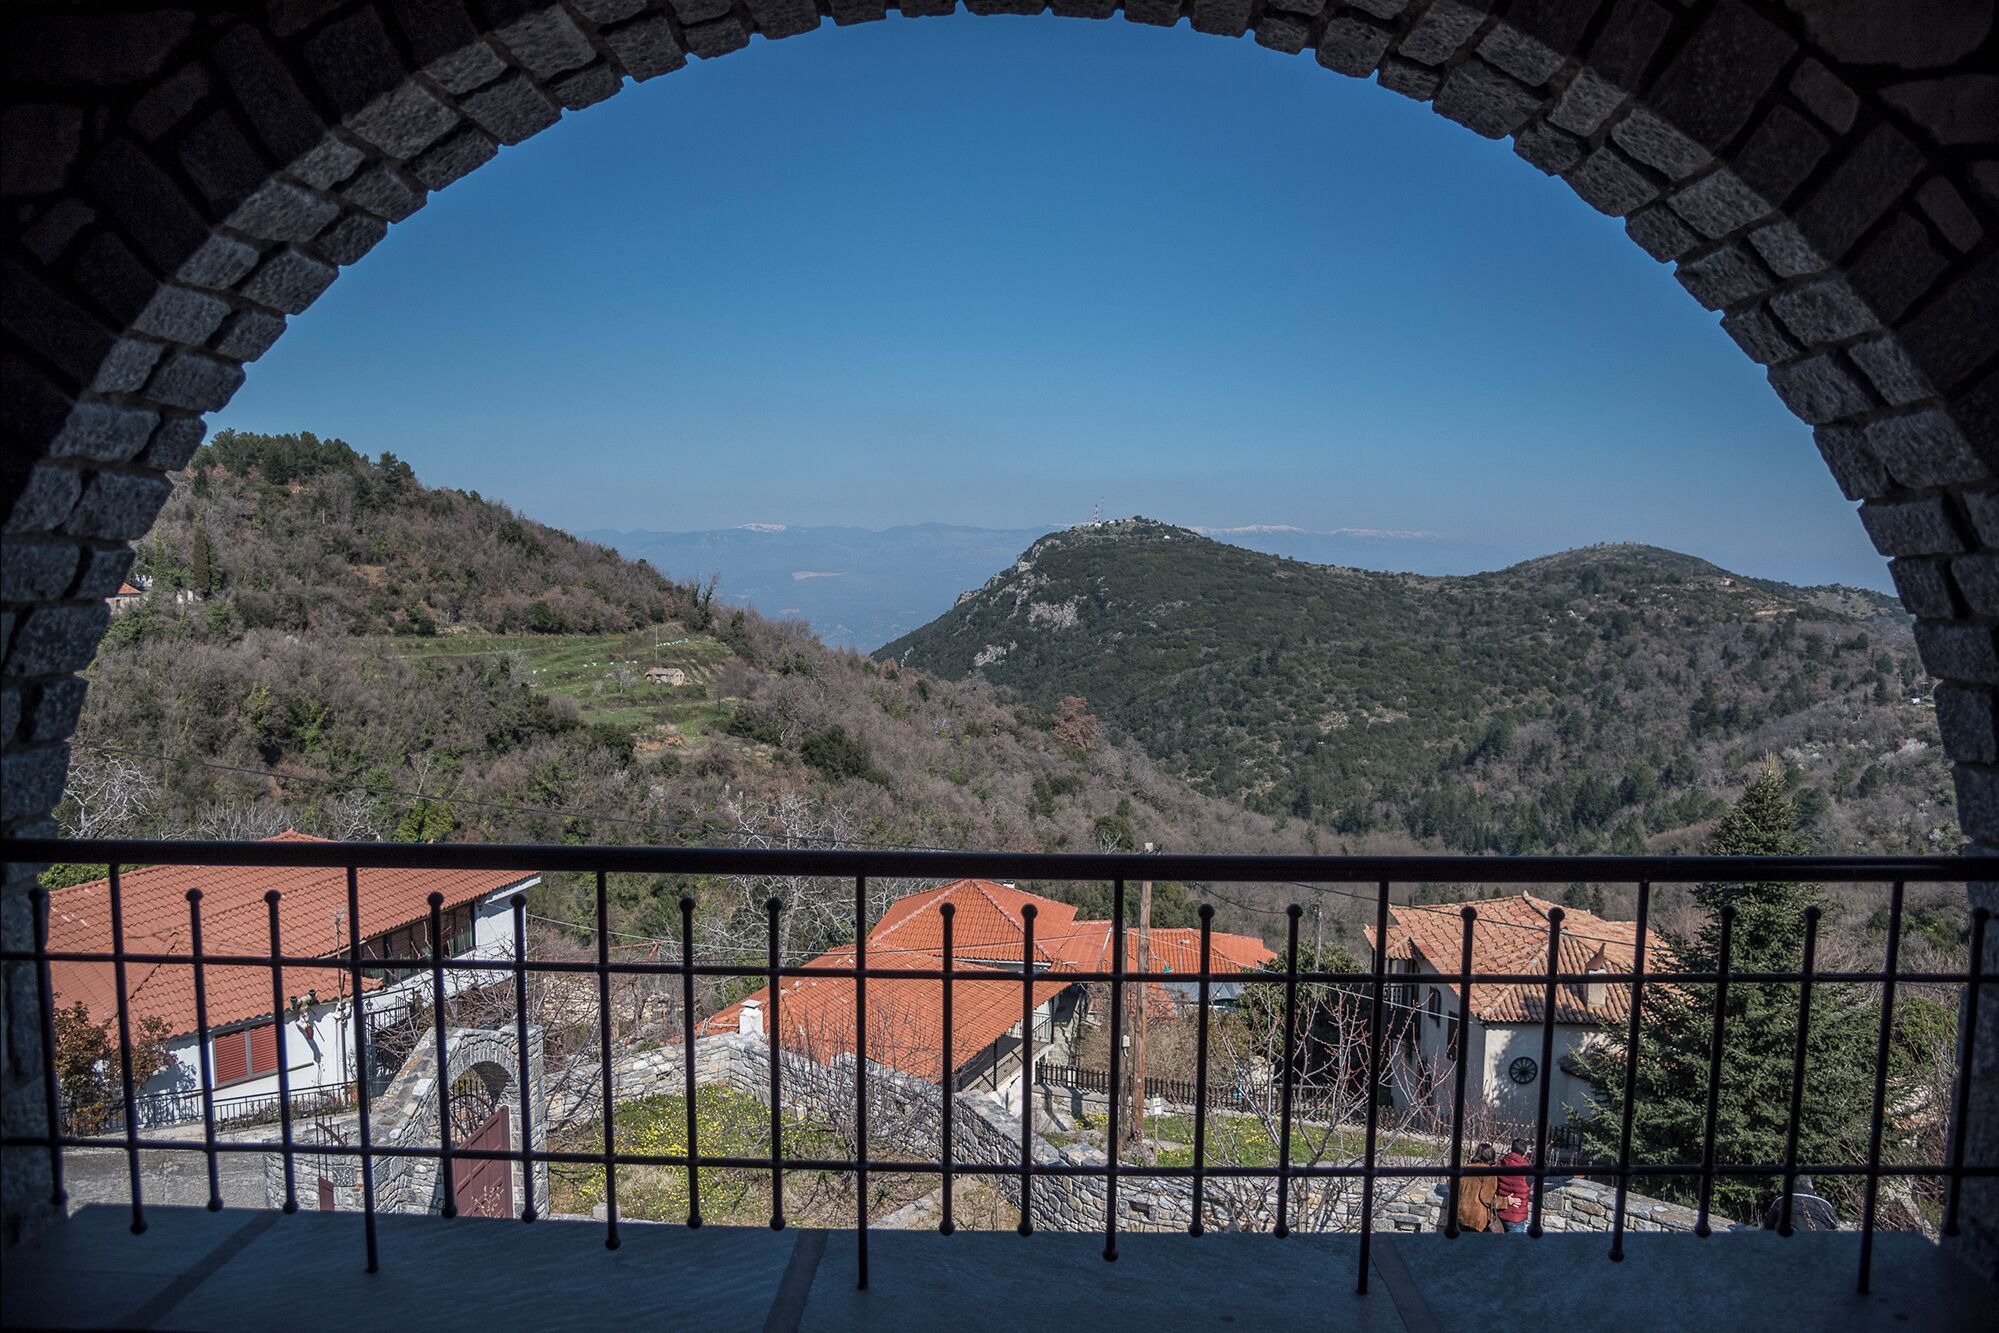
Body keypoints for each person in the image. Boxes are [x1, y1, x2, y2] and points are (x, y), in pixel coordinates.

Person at [1762, 1174, 1840, 1232]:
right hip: (1817, 1247)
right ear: (1810, 1185)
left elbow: (1766, 1229)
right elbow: (1835, 1229)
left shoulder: (1780, 1201)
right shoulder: (1825, 1204)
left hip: (1786, 1247)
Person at [1455, 1142, 1503, 1234]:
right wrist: (1505, 1201)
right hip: (1477, 1218)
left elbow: (1451, 1184)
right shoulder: (1489, 1173)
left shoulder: (1463, 1169)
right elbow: (1487, 1198)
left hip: (1461, 1214)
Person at [1496, 1138, 1531, 1233]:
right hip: (1516, 1217)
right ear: (1524, 1153)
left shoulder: (1500, 1164)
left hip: (1500, 1212)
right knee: (1515, 1246)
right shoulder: (1527, 1169)